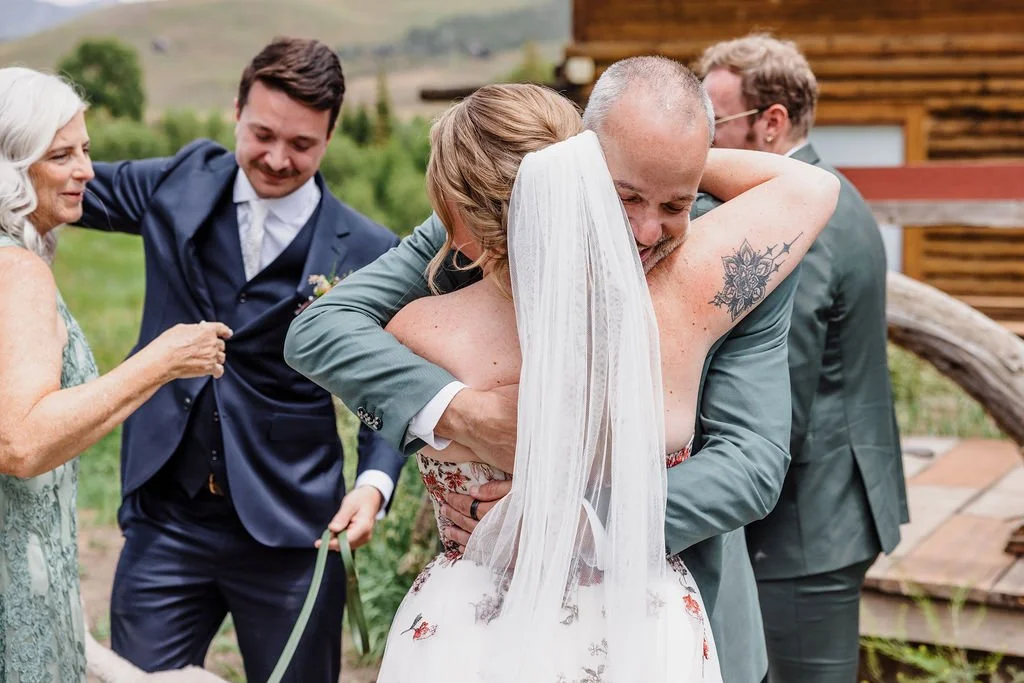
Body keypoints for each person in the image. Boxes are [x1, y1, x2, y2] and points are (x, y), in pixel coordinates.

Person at [286, 59, 835, 683]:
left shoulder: (726, 252)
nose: (647, 229)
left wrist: (578, 524)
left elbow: (752, 463)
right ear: (582, 159)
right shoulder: (477, 219)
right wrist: (465, 411)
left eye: (674, 202)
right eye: (623, 195)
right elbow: (319, 329)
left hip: (651, 605)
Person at [76, 38, 406, 682]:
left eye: (303, 145)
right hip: (165, 520)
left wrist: (374, 484)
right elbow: (62, 184)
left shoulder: (366, 249)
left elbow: (389, 389)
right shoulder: (178, 182)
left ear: (331, 136)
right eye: (262, 134)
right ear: (236, 110)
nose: (278, 159)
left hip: (294, 533)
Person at [0, 67, 228, 683]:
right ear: (12, 167)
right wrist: (160, 362)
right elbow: (20, 444)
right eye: (62, 155)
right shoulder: (16, 272)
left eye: (87, 150)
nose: (88, 172)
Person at [696, 34, 909, 682]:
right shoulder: (833, 191)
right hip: (832, 500)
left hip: (805, 526)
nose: (700, 142)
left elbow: (775, 395)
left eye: (713, 123)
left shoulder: (800, 222)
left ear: (772, 122)